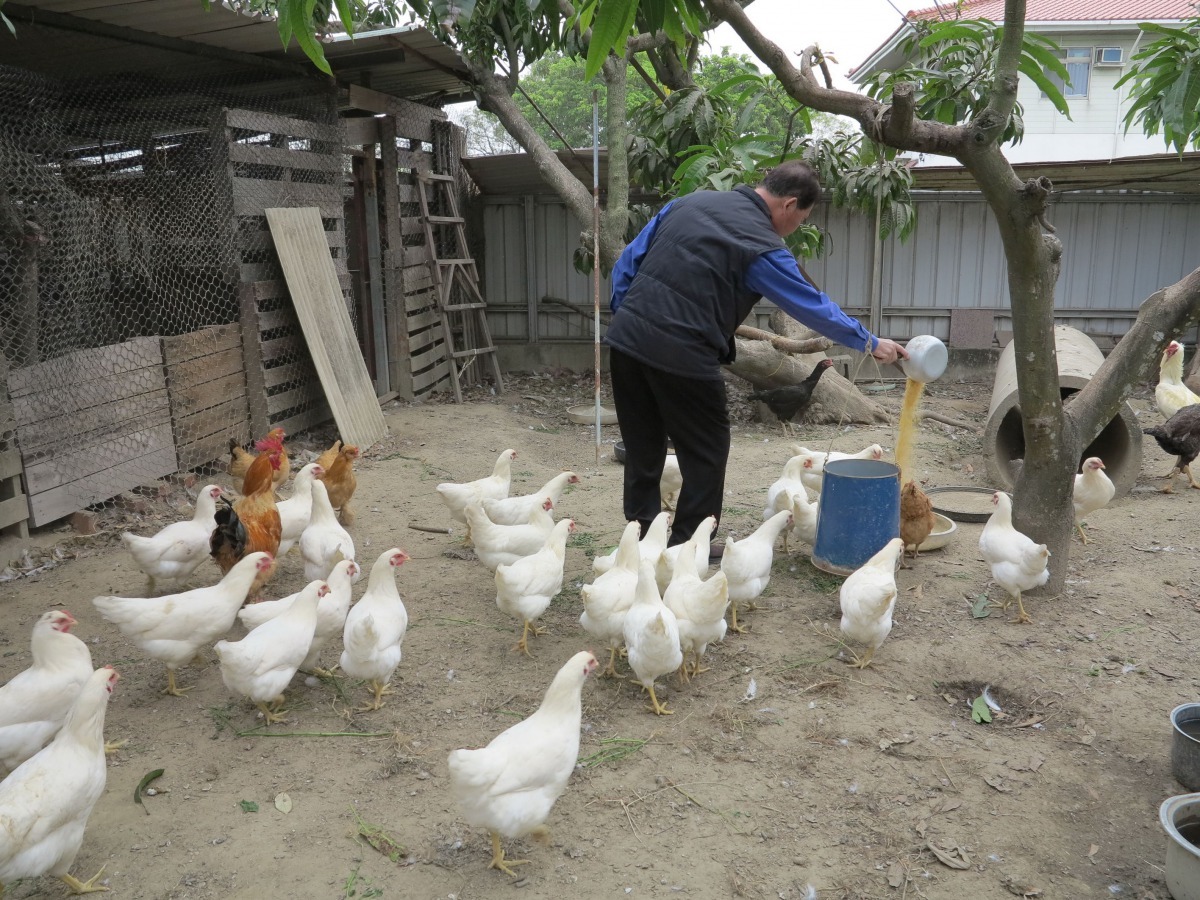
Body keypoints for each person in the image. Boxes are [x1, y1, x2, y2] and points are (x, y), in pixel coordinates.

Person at [604, 160, 908, 555]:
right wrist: (868, 340)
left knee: (643, 447)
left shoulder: (687, 204)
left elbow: (627, 263)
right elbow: (811, 306)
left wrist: (629, 316)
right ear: (790, 204)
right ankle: (687, 547)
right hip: (683, 352)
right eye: (802, 219)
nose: (795, 228)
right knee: (706, 449)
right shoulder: (760, 245)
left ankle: (641, 543)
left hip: (626, 342)